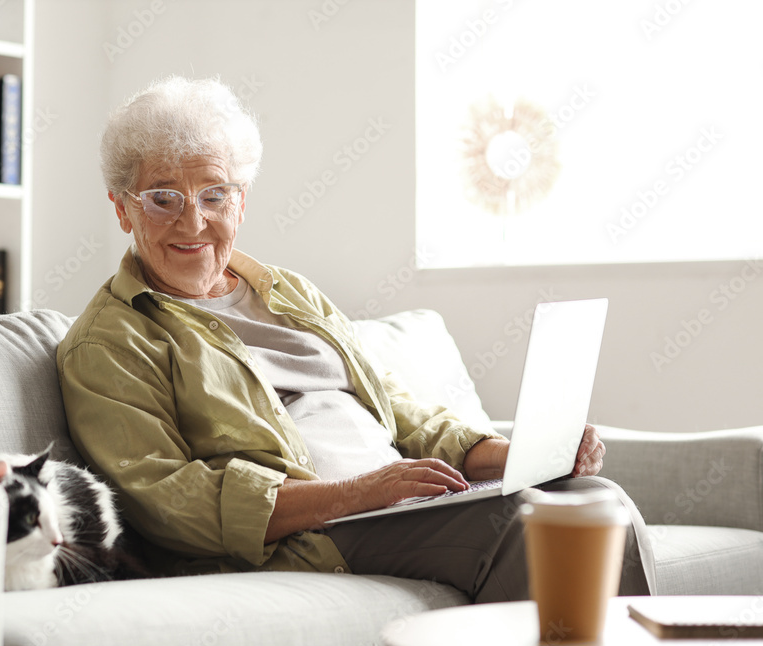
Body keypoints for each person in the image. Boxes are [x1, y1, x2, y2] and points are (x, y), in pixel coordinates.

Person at [56, 76, 655, 601]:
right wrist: (352, 494)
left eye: (214, 195)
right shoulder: (108, 342)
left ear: (241, 202)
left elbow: (395, 408)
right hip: (316, 532)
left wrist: (527, 454)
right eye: (164, 198)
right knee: (522, 524)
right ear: (122, 208)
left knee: (600, 500)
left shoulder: (288, 292)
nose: (193, 221)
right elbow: (164, 498)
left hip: (397, 503)